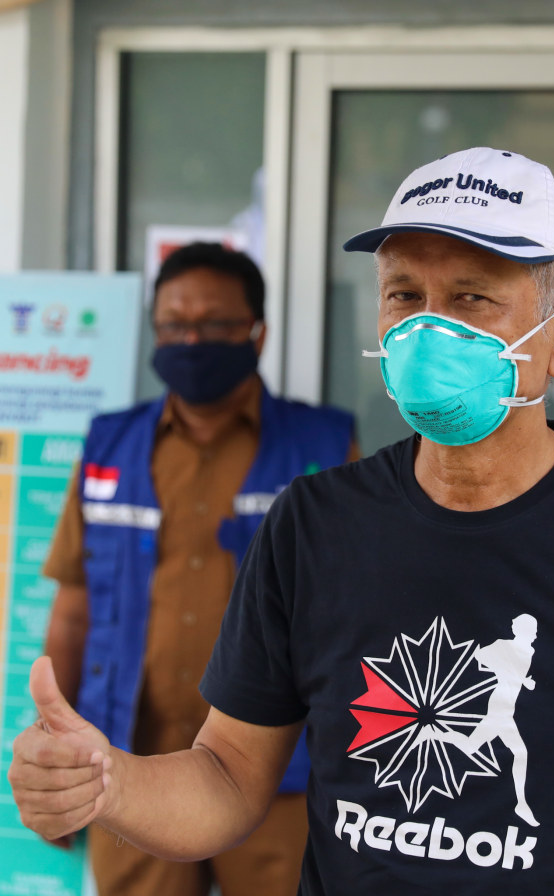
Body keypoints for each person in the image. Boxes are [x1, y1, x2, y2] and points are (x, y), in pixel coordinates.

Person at [10, 147, 554, 894]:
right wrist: (110, 781)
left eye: (471, 298)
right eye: (404, 295)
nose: (427, 330)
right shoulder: (314, 524)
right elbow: (228, 775)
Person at [38, 241, 357, 896]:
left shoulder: (325, 446)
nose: (191, 338)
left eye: (213, 325)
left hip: (280, 772)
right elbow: (73, 614)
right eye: (174, 324)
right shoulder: (108, 446)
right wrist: (57, 755)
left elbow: (356, 619)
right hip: (131, 765)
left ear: (256, 333)